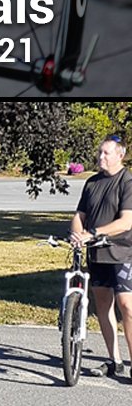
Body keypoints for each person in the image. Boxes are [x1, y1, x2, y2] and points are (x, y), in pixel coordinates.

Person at [68, 134, 132, 379]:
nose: (100, 157)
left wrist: (94, 232)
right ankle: (114, 360)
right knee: (103, 306)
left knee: (127, 306)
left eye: (106, 153)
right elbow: (79, 215)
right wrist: (77, 234)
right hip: (97, 254)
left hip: (123, 252)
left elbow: (126, 222)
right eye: (99, 152)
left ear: (120, 155)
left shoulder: (127, 182)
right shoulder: (92, 183)